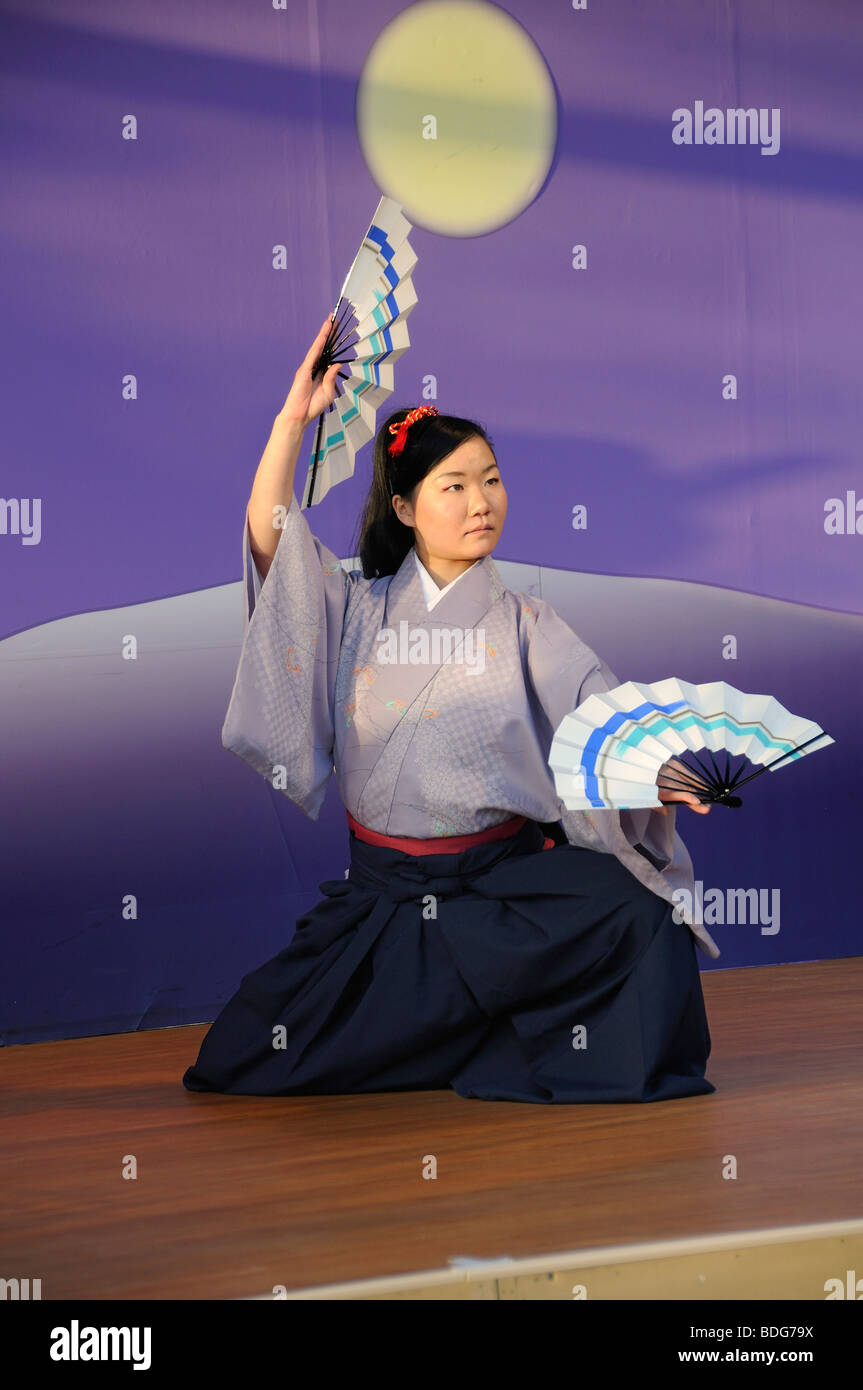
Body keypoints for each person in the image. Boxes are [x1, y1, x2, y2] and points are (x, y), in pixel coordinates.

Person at [183, 315, 719, 1104]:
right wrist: (289, 421)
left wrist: (655, 767)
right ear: (403, 508)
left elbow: (592, 708)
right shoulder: (355, 607)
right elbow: (274, 542)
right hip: (387, 901)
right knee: (243, 1057)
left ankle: (489, 1030)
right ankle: (454, 1029)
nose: (481, 502)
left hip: (502, 895)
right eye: (454, 485)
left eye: (491, 479)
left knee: (643, 917)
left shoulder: (525, 621)